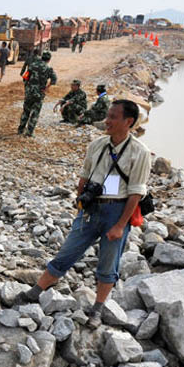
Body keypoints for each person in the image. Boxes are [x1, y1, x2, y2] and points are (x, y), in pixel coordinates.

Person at [17, 100, 150, 329]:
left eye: (113, 117)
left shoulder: (140, 152)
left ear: (128, 121)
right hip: (91, 208)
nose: (107, 121)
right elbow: (84, 176)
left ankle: (97, 309)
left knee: (108, 264)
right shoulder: (97, 145)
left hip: (116, 210)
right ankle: (36, 291)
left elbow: (135, 193)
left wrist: (120, 225)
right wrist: (80, 201)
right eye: (107, 115)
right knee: (67, 252)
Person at [17, 50, 57, 137]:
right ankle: (29, 132)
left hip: (29, 92)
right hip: (39, 93)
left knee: (26, 111)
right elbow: (54, 79)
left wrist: (27, 87)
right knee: (35, 113)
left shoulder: (32, 65)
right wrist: (46, 88)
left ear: (41, 57)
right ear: (49, 59)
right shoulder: (48, 69)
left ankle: (20, 130)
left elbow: (25, 77)